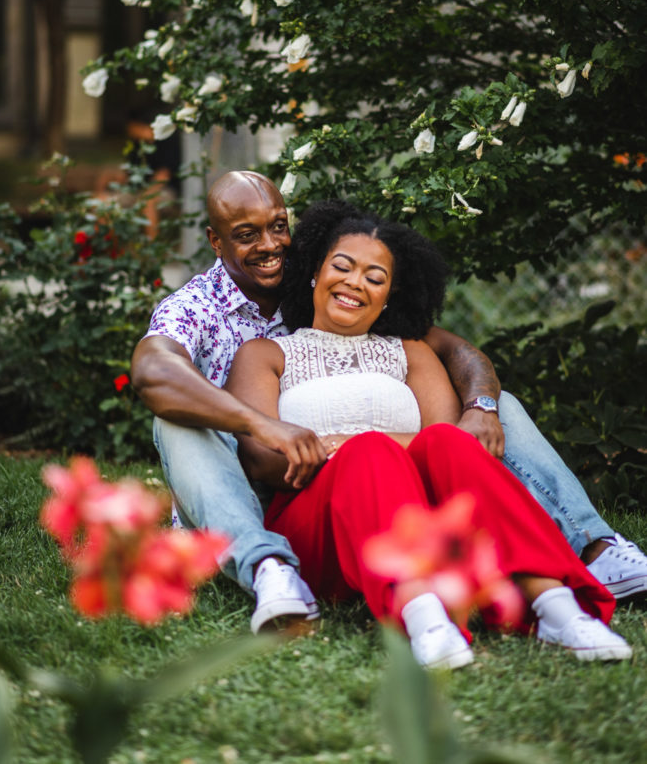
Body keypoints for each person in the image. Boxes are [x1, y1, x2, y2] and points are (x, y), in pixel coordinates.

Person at [130, 170, 647, 633]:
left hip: (366, 473)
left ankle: (594, 548)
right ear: (216, 242)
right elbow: (152, 372)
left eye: (278, 226)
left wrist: (480, 408)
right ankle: (269, 570)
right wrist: (260, 425)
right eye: (247, 235)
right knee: (178, 421)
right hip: (252, 479)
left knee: (495, 404)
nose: (270, 245)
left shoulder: (325, 277)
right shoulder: (197, 308)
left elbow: (455, 350)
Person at [223, 200, 631, 666]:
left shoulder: (410, 352)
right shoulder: (266, 354)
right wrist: (364, 451)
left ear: (389, 295)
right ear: (315, 272)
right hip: (321, 526)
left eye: (375, 278)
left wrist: (346, 445)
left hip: (420, 519)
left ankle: (555, 607)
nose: (355, 283)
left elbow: (447, 445)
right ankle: (424, 619)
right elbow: (263, 459)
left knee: (444, 443)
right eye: (343, 267)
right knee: (372, 451)